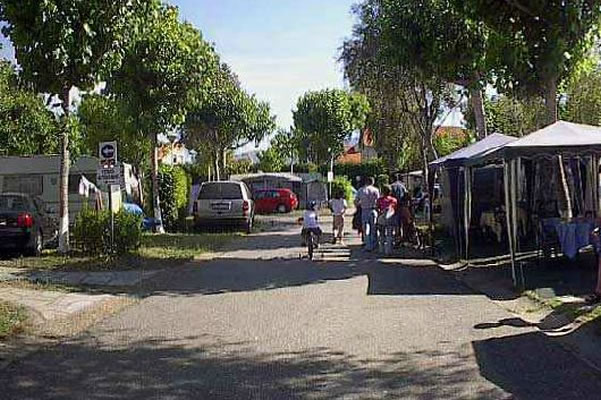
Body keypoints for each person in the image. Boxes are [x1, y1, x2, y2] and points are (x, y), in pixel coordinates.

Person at [354, 176, 380, 251]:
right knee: (373, 228)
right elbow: (378, 200)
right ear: (372, 182)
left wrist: (359, 206)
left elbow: (356, 201)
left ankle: (367, 245)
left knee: (365, 228)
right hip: (373, 209)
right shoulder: (375, 190)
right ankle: (374, 244)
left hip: (364, 210)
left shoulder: (361, 190)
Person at [377, 185, 398, 254]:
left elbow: (377, 208)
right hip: (390, 218)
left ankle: (381, 249)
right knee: (389, 235)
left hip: (381, 218)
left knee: (381, 234)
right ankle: (388, 250)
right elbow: (395, 208)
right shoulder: (393, 200)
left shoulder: (379, 200)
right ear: (390, 191)